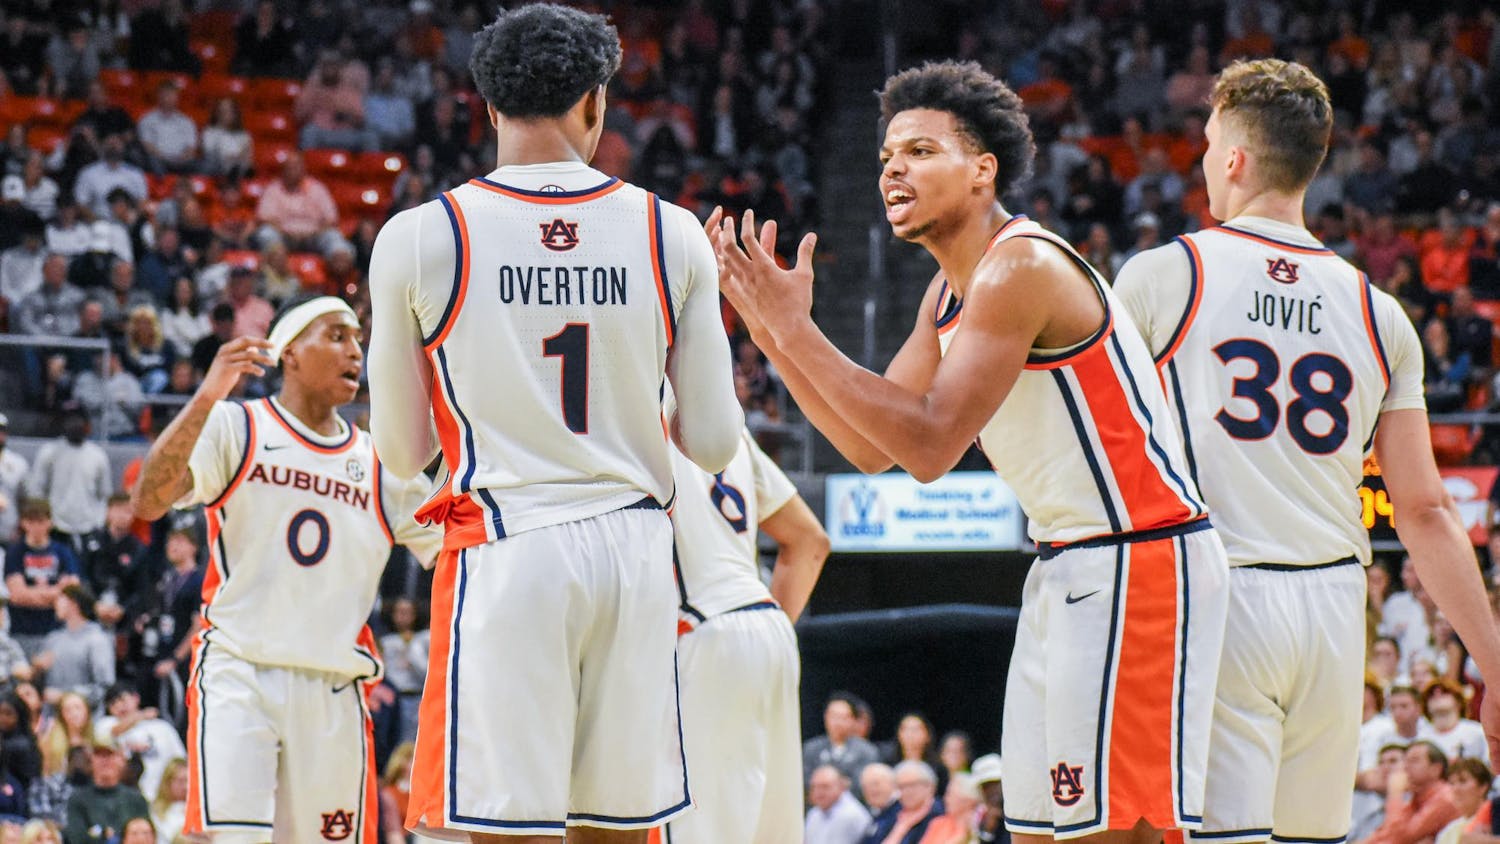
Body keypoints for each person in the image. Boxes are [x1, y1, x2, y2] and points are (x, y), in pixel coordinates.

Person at [716, 58, 1229, 841]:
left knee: (1113, 831)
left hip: (1139, 560)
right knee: (1035, 827)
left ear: (982, 170)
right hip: (1066, 562)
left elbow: (929, 444)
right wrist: (770, 332)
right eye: (887, 155)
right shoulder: (946, 292)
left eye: (920, 151)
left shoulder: (1021, 265)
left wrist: (793, 328)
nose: (893, 169)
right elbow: (871, 449)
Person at [366, 5, 741, 841]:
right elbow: (715, 444)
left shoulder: (420, 235)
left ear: (489, 106)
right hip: (636, 551)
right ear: (596, 102)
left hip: (509, 545)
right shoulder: (672, 230)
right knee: (617, 824)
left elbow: (402, 450)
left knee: (508, 828)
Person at [1113, 59, 1500, 844]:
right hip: (1333, 607)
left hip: (1220, 593)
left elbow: (1105, 450)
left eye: (1207, 144)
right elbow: (1425, 511)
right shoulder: (1379, 312)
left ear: (1233, 158)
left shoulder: (1164, 275)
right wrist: (1494, 665)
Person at [129, 296, 443, 842]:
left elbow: (455, 554)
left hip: (335, 687)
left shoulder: (380, 463)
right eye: (337, 336)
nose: (355, 351)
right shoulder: (236, 426)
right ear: (289, 353)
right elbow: (148, 500)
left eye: (358, 339)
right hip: (240, 671)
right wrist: (206, 396)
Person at [664, 417, 830, 843]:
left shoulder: (637, 406)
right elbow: (810, 542)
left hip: (702, 628)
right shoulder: (730, 426)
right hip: (770, 627)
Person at [4, 500, 84, 658]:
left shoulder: (63, 551)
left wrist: (33, 593)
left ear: (50, 522)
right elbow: (17, 595)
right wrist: (56, 592)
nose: (36, 527)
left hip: (56, 630)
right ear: (23, 523)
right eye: (31, 522)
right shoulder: (14, 552)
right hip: (23, 631)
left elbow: (72, 590)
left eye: (40, 521)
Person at [27, 412, 111, 552]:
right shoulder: (49, 452)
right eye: (71, 421)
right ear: (64, 425)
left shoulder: (98, 455)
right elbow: (37, 490)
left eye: (79, 421)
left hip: (88, 526)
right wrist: (45, 521)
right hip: (56, 526)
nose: (75, 425)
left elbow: (104, 494)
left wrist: (98, 522)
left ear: (87, 426)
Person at [93, 684, 184, 801]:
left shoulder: (163, 727)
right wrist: (142, 715)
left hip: (161, 797)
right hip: (124, 797)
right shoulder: (105, 724)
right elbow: (113, 732)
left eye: (122, 700)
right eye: (113, 704)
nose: (119, 706)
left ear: (136, 698)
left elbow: (180, 760)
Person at [32, 584, 114, 709]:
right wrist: (37, 669)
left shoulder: (97, 639)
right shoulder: (53, 639)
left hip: (86, 716)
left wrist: (65, 696)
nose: (55, 603)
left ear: (73, 603)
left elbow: (104, 686)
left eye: (60, 599)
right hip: (52, 716)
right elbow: (40, 686)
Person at [1366, 741, 1460, 844]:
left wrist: (1395, 793)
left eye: (1414, 761)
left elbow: (1401, 838)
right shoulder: (1418, 797)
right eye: (1405, 761)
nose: (1405, 767)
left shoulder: (1444, 797)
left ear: (1436, 769)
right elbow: (1386, 835)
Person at [64, 736, 149, 844]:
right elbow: (77, 839)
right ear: (91, 760)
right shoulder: (78, 800)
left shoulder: (136, 800)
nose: (105, 761)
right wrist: (106, 835)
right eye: (99, 755)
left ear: (121, 760)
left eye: (110, 755)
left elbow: (146, 836)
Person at [804, 695, 881, 792]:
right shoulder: (811, 748)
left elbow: (864, 783)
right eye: (833, 716)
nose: (837, 722)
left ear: (853, 720)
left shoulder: (867, 751)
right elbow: (805, 780)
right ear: (825, 717)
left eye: (843, 717)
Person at [805, 765, 870, 844]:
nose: (819, 792)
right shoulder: (813, 814)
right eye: (814, 787)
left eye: (825, 787)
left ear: (841, 787)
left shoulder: (852, 814)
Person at [1434, 757, 1491, 844]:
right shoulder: (1449, 831)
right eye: (1452, 783)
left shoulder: (1493, 824)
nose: (1455, 789)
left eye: (1463, 781)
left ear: (1483, 787)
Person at [919, 774, 982, 844]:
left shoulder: (978, 825)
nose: (945, 799)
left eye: (950, 795)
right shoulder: (938, 823)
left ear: (968, 801)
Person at [0, 414, 31, 545]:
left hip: (10, 533)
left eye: (1, 430)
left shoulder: (18, 464)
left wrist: (22, 528)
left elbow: (25, 499)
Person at [149, 758, 187, 844]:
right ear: (168, 782)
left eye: (188, 781)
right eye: (180, 781)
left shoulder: (200, 810)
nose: (186, 787)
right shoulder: (156, 810)